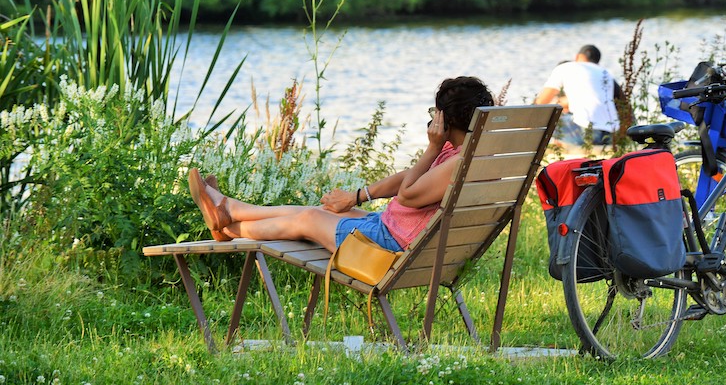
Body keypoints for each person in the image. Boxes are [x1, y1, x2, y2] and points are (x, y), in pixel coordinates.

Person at [186, 76, 495, 252]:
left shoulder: (457, 161)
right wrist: (359, 195)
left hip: (389, 246)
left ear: (444, 118)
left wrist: (431, 147)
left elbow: (408, 195)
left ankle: (230, 223)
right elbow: (407, 179)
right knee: (317, 212)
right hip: (394, 230)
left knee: (307, 219)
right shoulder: (469, 153)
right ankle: (229, 213)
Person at [534, 44, 624, 146]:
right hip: (611, 135)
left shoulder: (564, 68)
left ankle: (555, 151)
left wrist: (529, 123)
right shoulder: (605, 73)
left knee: (545, 117)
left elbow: (540, 103)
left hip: (586, 133)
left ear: (577, 57)